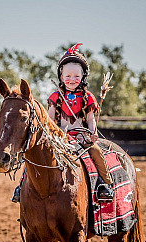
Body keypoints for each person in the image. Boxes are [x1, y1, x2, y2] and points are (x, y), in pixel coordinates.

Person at [11, 43, 113, 203]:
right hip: (60, 138)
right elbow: (50, 121)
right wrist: (51, 136)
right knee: (33, 154)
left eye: (76, 76)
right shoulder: (55, 97)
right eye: (68, 76)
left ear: (83, 77)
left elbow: (91, 119)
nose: (72, 80)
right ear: (61, 77)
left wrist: (92, 133)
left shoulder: (88, 97)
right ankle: (21, 185)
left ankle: (105, 184)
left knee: (96, 152)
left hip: (81, 137)